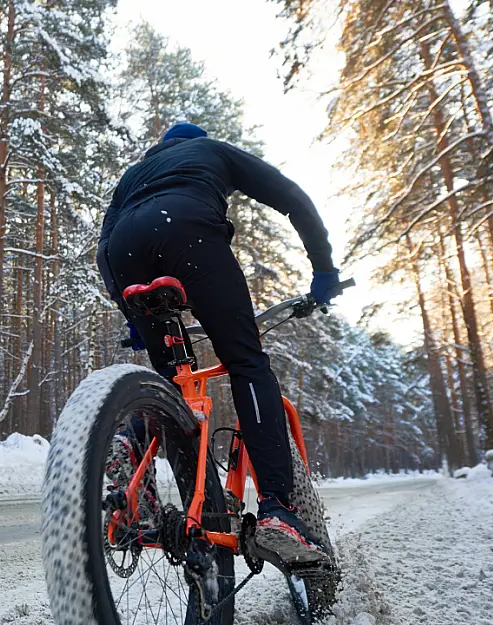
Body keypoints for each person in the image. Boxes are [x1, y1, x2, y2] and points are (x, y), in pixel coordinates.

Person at [97, 122, 340, 564]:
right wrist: (324, 270)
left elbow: (103, 247)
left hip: (124, 250)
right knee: (246, 362)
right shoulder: (211, 151)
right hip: (187, 231)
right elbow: (291, 198)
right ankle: (278, 513)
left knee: (169, 387)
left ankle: (131, 445)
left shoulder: (135, 174)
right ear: (195, 142)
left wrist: (131, 313)